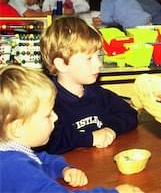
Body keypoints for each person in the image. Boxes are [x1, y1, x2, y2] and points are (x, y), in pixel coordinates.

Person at [0, 65, 143, 193]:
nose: (55, 117)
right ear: (17, 128)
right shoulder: (14, 168)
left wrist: (63, 169)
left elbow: (41, 158)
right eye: (47, 115)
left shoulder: (12, 151)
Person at [38, 16, 138, 154]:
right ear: (62, 65)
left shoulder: (97, 93)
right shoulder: (47, 102)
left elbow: (129, 113)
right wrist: (90, 138)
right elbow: (47, 141)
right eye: (89, 59)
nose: (99, 64)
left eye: (98, 56)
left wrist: (110, 128)